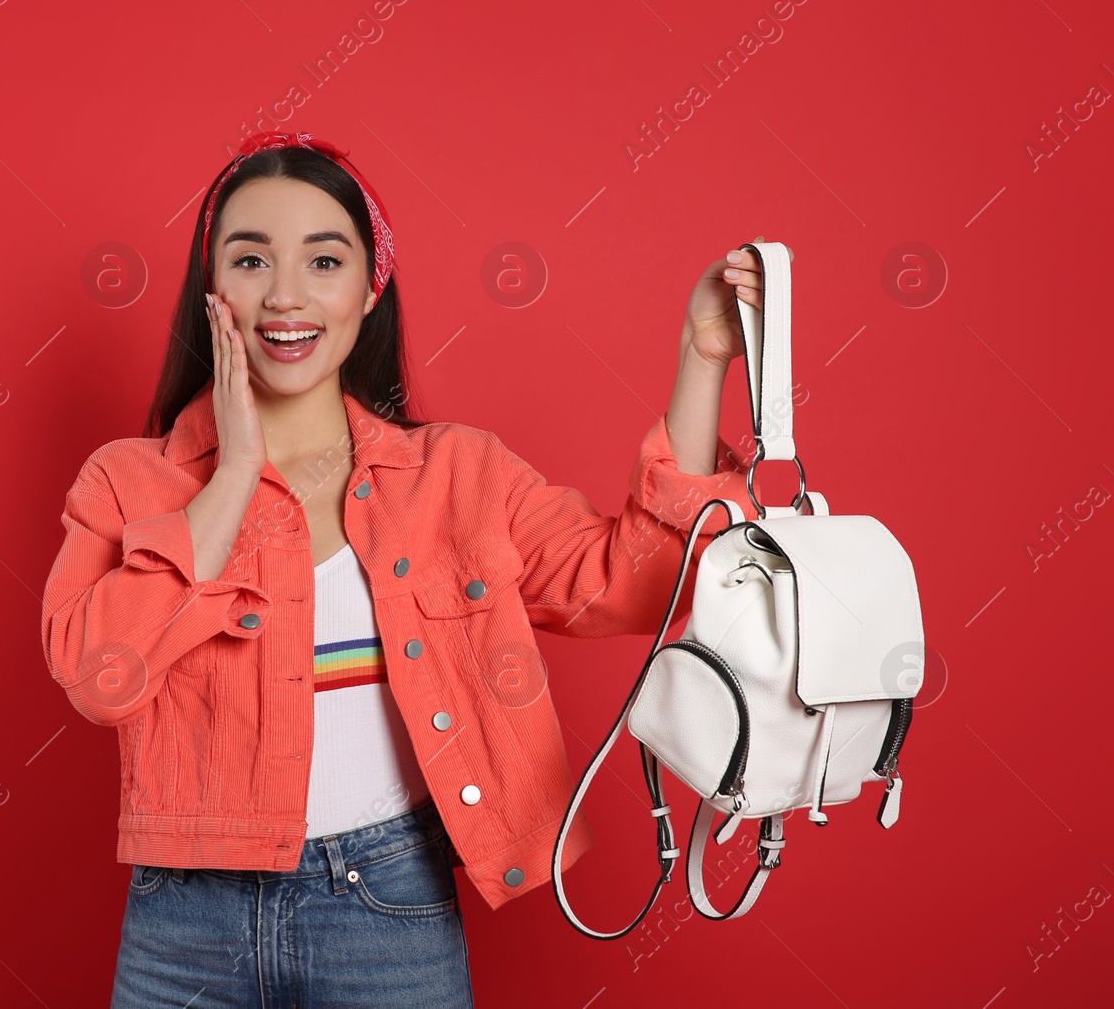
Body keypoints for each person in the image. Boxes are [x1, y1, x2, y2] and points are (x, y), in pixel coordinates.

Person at [42, 130, 781, 1008]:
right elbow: (98, 677)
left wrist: (703, 359)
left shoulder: (460, 474)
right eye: (250, 260)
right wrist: (233, 473)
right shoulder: (127, 481)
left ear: (369, 286)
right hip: (184, 919)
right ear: (212, 291)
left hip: (386, 905)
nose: (285, 294)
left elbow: (636, 585)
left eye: (324, 259)